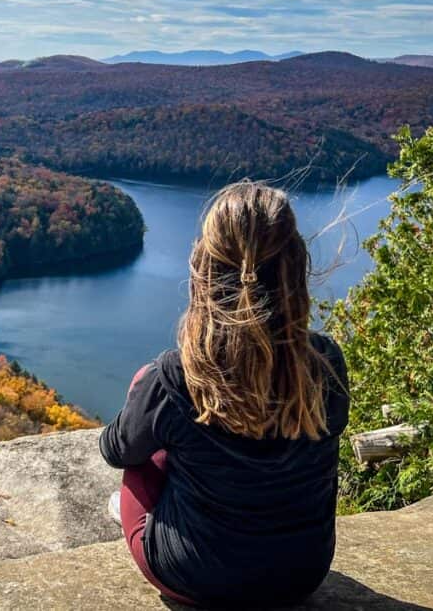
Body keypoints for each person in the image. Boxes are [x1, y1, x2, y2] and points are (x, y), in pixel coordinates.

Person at [99, 181, 350, 608]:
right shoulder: (325, 364)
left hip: (196, 577)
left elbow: (118, 450)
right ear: (295, 267)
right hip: (301, 574)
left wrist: (147, 403)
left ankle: (142, 516)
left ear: (204, 267)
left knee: (151, 414)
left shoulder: (175, 376)